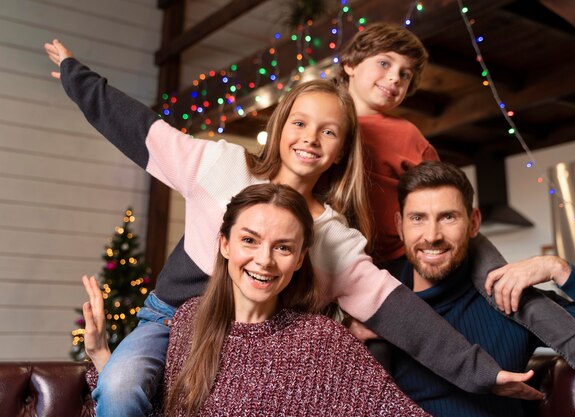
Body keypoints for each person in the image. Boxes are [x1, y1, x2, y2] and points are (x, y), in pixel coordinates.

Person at [44, 39, 539, 416]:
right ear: (280, 126)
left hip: (255, 351)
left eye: (329, 132)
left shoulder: (336, 238)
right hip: (171, 323)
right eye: (300, 123)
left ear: (342, 149)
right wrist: (76, 76)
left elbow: (406, 317)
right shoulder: (218, 165)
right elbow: (137, 127)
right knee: (123, 385)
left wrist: (483, 374)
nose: (310, 139)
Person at [81, 183, 432, 416]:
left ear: (298, 260)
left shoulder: (321, 340)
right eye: (250, 240)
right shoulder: (191, 320)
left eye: (282, 247)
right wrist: (101, 356)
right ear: (225, 244)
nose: (264, 260)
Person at [380, 161, 575, 417]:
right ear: (400, 226)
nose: (432, 235)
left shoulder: (508, 298)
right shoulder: (371, 303)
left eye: (448, 217)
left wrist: (560, 269)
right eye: (417, 218)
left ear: (474, 223)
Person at [338, 22, 439, 267]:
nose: (395, 77)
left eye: (405, 74)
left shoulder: (408, 135)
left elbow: (440, 199)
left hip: (396, 261)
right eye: (384, 63)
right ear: (350, 64)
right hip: (332, 256)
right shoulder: (320, 120)